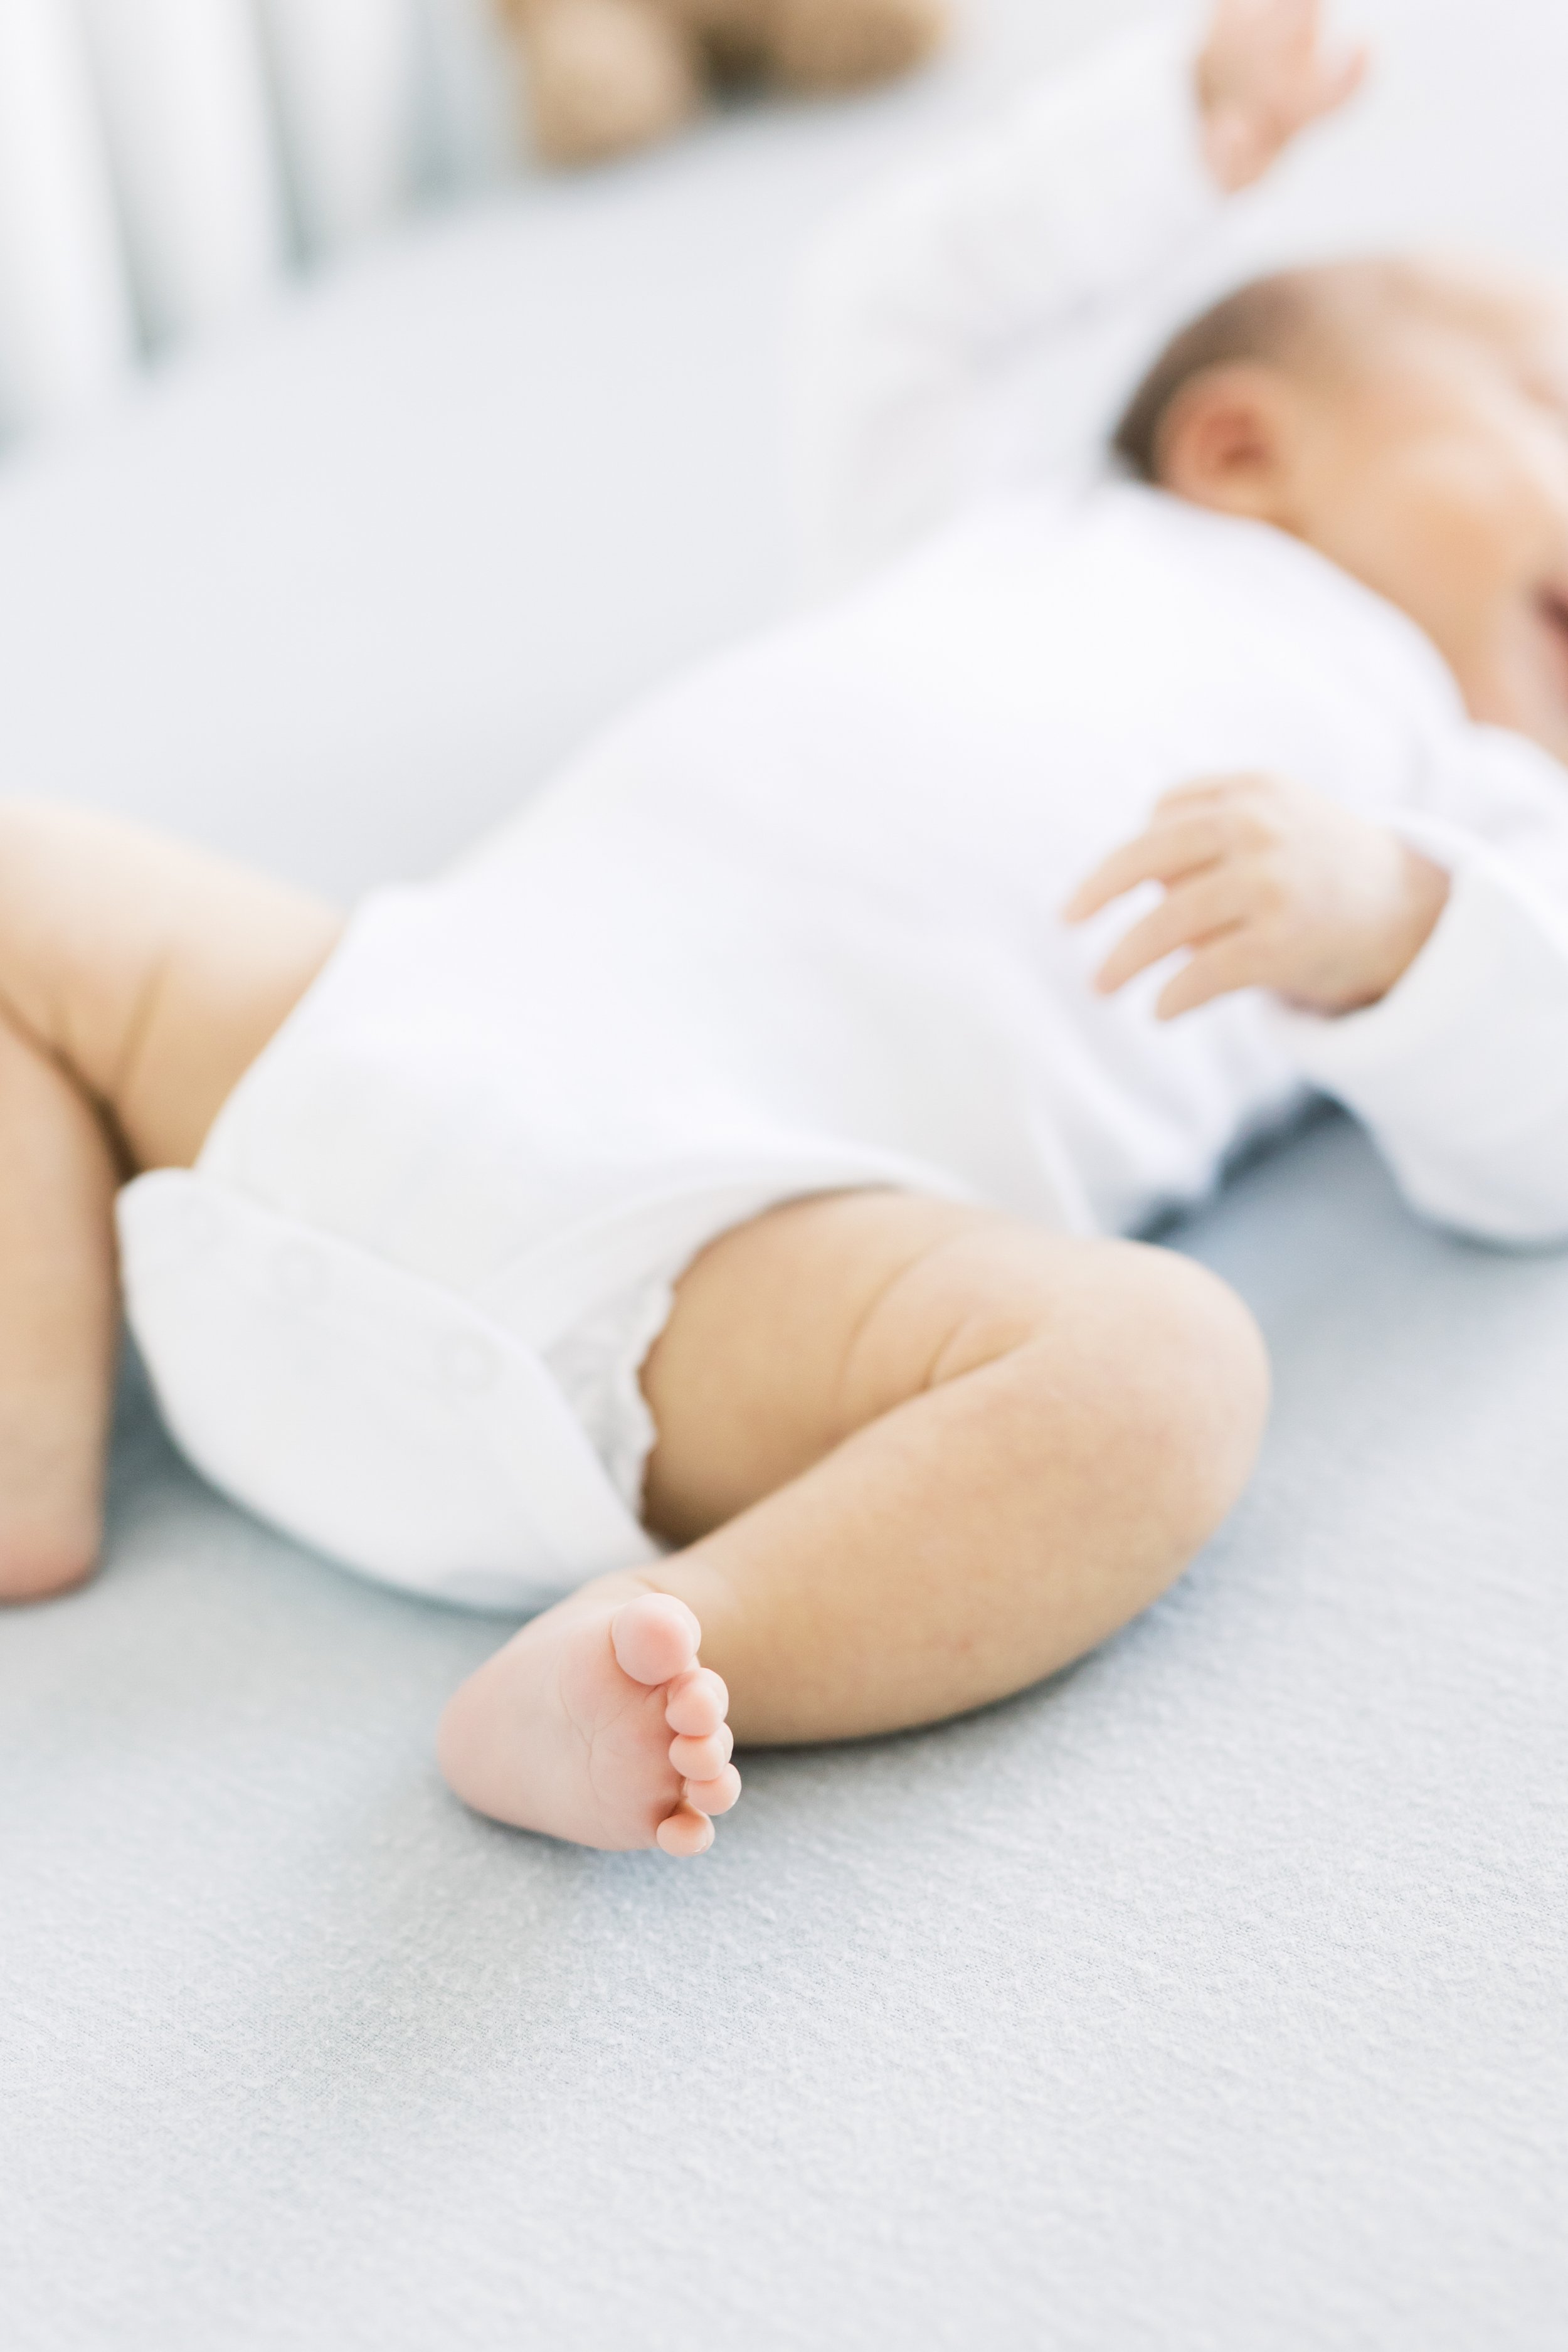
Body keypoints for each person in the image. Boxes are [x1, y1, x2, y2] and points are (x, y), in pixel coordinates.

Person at [6, 1, 1568, 1859]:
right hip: (369, 1038)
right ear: (1238, 443)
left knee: (1165, 1374)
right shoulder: (987, 523)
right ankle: (31, 1430)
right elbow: (900, 306)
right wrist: (1165, 134)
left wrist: (1388, 922)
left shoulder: (1465, 809)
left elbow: (1534, 1127)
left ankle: (679, 1646)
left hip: (725, 1260)